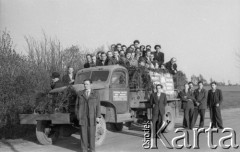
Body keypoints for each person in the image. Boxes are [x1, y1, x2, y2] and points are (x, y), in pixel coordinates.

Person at [75, 79, 101, 152]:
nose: (85, 85)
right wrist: (78, 115)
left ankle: (92, 150)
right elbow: (76, 106)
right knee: (83, 134)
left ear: (90, 84)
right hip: (82, 117)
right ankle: (84, 149)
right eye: (84, 84)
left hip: (92, 117)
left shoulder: (95, 93)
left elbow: (98, 105)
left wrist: (98, 116)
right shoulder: (80, 93)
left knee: (92, 134)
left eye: (87, 84)